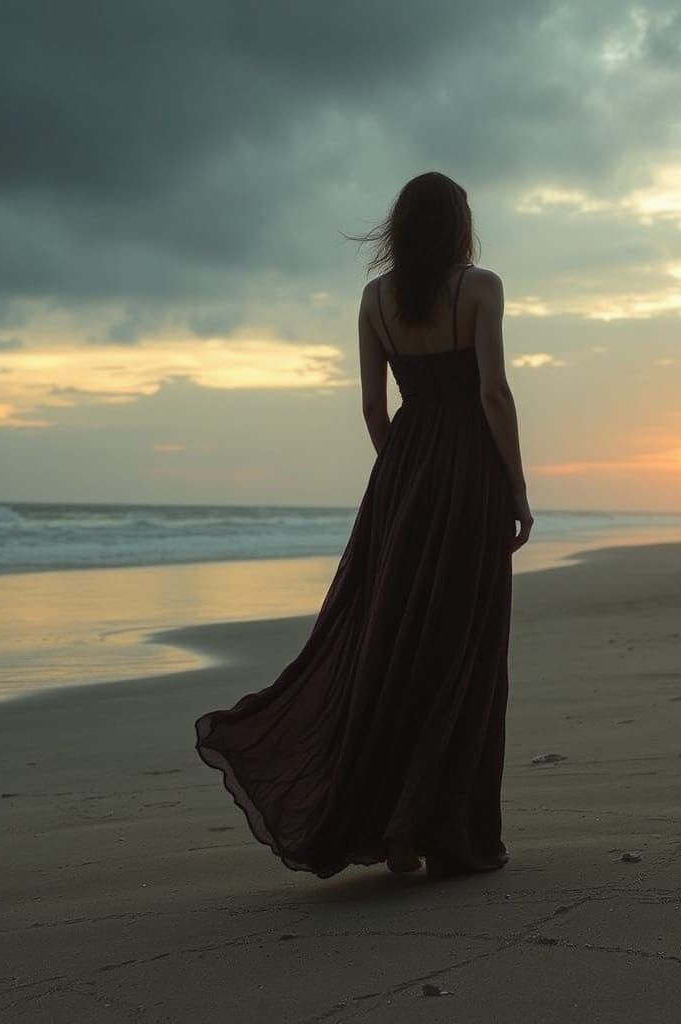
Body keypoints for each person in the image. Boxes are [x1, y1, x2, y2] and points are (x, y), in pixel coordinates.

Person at [194, 170, 533, 880]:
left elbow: (373, 409)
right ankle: (440, 830)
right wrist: (515, 491)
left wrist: (407, 477)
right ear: (459, 225)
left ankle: (395, 826)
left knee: (396, 644)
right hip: (469, 473)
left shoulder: (375, 299)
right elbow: (493, 393)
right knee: (461, 651)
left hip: (403, 477)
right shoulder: (481, 287)